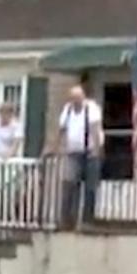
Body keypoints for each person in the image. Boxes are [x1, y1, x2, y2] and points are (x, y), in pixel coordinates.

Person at [55, 84, 104, 227]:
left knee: (90, 186)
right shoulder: (68, 110)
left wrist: (96, 148)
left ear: (83, 97)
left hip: (90, 151)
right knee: (69, 183)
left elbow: (95, 128)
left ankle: (87, 220)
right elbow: (62, 130)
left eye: (78, 99)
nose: (76, 102)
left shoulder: (92, 108)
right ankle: (67, 219)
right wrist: (57, 147)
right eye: (73, 99)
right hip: (73, 152)